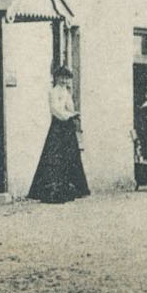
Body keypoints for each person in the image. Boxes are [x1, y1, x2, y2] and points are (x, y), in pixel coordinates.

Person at [29, 67, 90, 202]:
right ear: (56, 78)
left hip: (67, 127)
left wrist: (72, 112)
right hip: (58, 126)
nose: (64, 80)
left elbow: (70, 107)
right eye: (61, 77)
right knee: (54, 156)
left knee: (70, 155)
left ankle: (71, 188)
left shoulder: (66, 92)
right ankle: (52, 190)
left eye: (66, 78)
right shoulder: (53, 92)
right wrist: (68, 116)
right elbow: (55, 110)